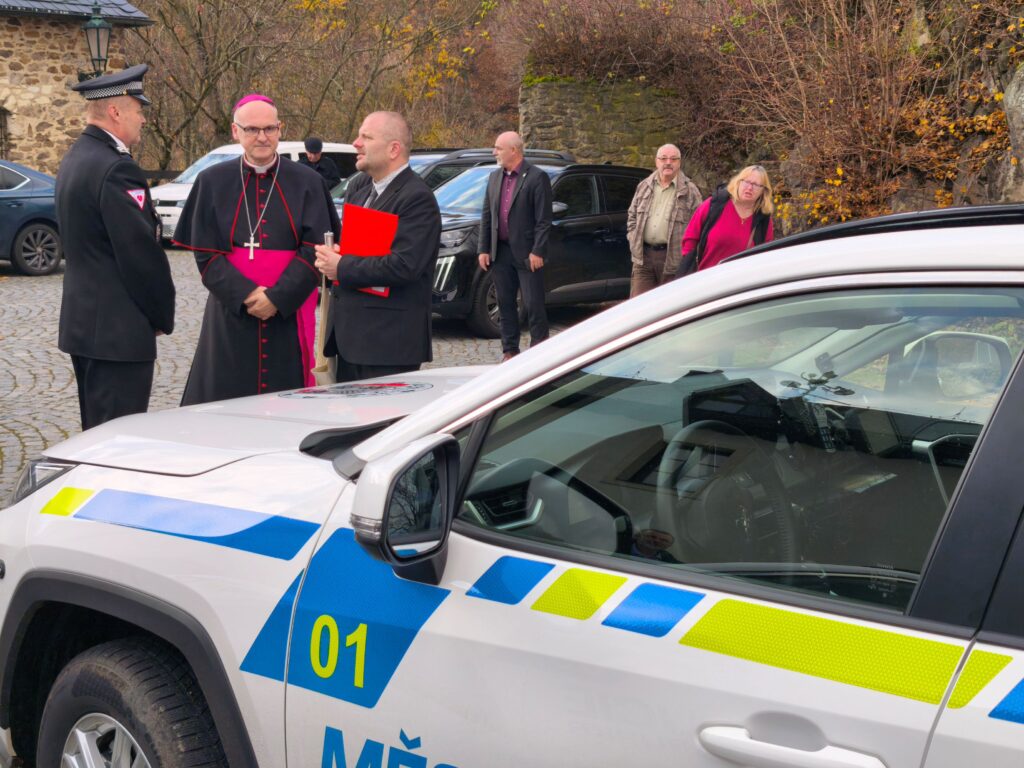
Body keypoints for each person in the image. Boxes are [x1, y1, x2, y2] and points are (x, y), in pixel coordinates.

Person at [173, 94, 339, 404]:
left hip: (287, 311)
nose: (262, 137)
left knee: (288, 399)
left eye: (269, 129)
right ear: (235, 131)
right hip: (231, 310)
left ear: (280, 129)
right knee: (224, 396)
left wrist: (277, 298)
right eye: (252, 129)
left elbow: (315, 249)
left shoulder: (308, 182)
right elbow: (206, 254)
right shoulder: (212, 181)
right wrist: (247, 295)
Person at [55, 64, 176, 431]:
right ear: (115, 111)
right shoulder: (117, 169)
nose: (144, 119)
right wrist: (160, 315)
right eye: (138, 110)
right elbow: (140, 255)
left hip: (86, 326)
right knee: (117, 440)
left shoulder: (76, 157)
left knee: (97, 434)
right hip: (117, 332)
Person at [313, 111, 441, 382]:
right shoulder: (359, 187)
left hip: (387, 344)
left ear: (393, 149)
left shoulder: (417, 198)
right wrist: (333, 256)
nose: (356, 143)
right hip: (349, 339)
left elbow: (405, 265)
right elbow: (361, 249)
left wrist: (341, 266)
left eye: (366, 137)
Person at [478, 131, 552, 361]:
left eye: (498, 148)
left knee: (533, 303)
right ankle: (509, 350)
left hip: (528, 253)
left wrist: (538, 250)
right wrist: (483, 248)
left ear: (514, 150)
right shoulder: (494, 177)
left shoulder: (537, 177)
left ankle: (540, 350)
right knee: (505, 303)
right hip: (500, 251)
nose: (494, 152)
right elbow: (487, 215)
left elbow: (543, 219)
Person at [626, 144, 703, 294]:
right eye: (663, 158)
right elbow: (632, 216)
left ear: (679, 162)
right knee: (640, 304)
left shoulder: (690, 191)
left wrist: (687, 257)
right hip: (643, 258)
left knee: (671, 304)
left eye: (673, 159)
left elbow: (698, 226)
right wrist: (633, 238)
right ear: (656, 161)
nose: (668, 162)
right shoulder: (644, 186)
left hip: (673, 261)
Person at [677, 165, 775, 274]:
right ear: (738, 182)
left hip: (739, 282)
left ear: (763, 191)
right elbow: (690, 238)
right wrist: (689, 269)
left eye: (756, 185)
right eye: (746, 182)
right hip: (705, 278)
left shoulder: (763, 219)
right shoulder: (714, 205)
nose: (750, 188)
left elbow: (765, 255)